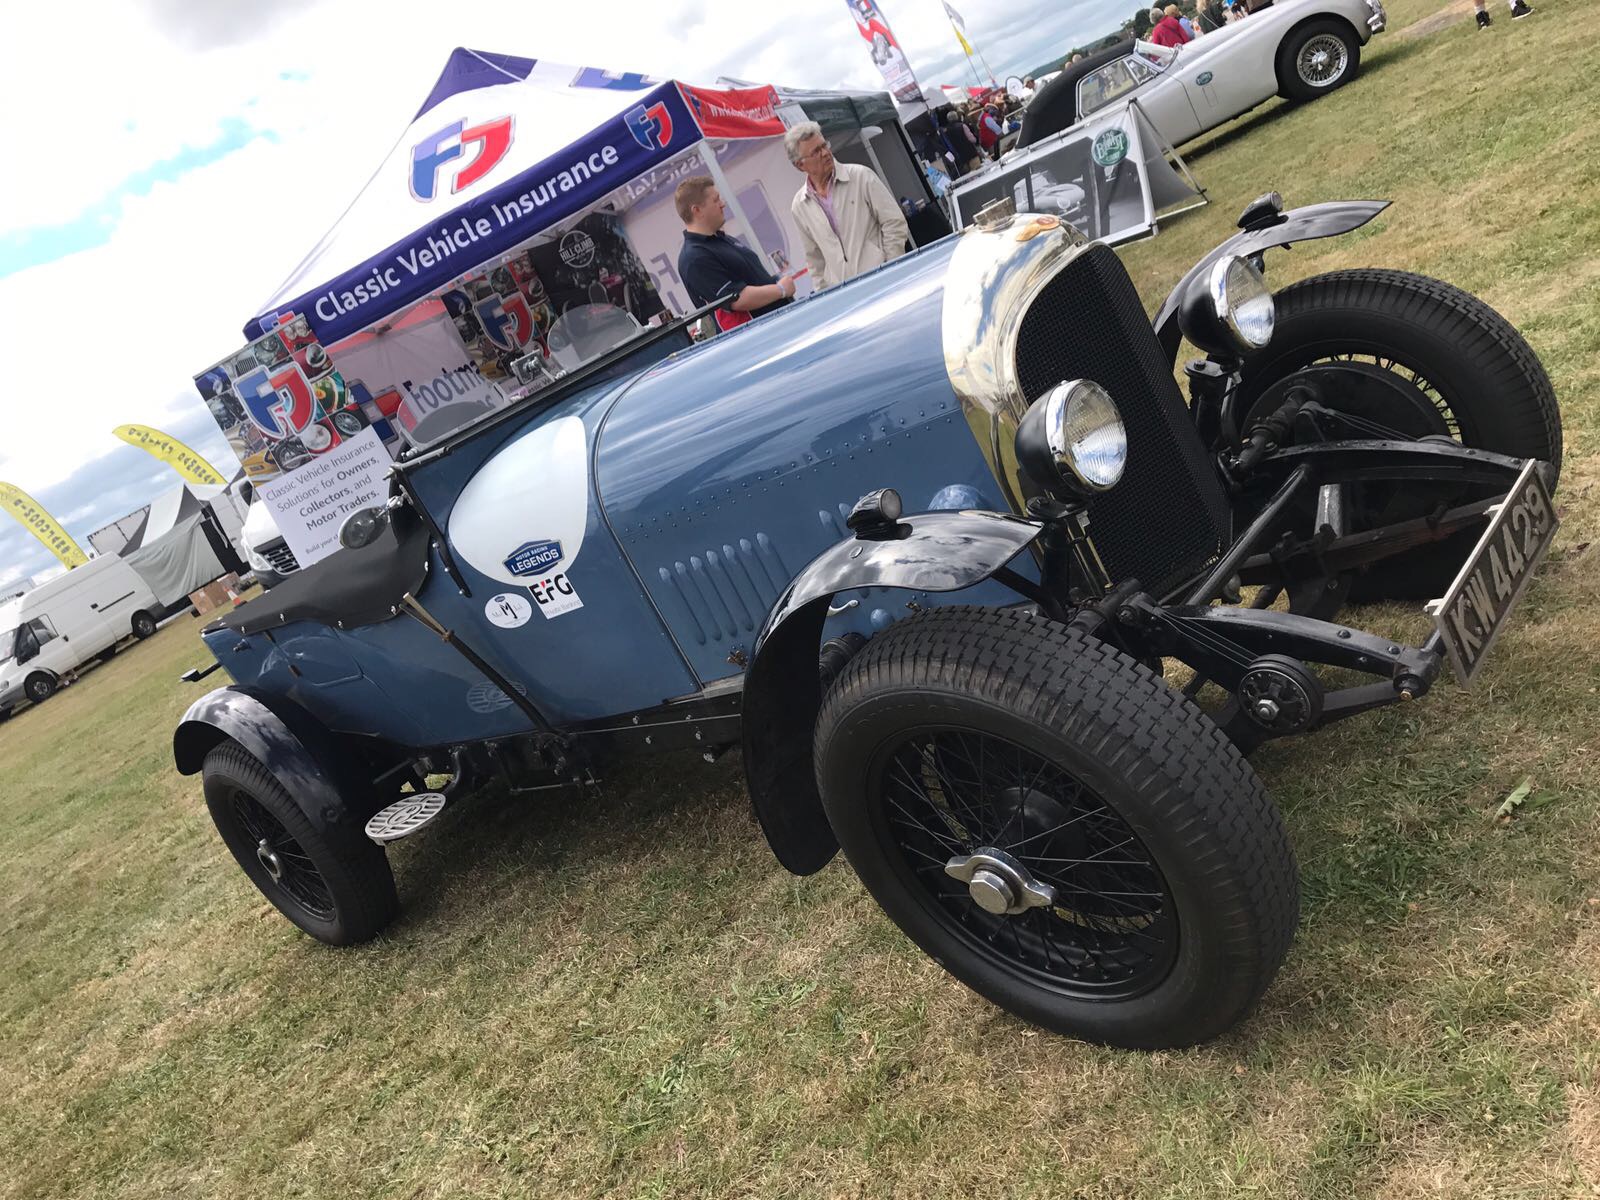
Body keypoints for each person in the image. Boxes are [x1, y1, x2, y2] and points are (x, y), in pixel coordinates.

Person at [786, 121, 911, 291]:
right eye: (816, 151)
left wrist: (891, 266)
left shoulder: (860, 176)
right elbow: (815, 260)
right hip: (848, 295)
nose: (825, 153)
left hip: (885, 279)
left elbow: (894, 222)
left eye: (824, 145)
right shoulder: (799, 205)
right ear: (800, 165)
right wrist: (827, 297)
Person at [674, 176, 794, 332]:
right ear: (697, 210)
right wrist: (781, 290)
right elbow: (737, 299)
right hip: (758, 338)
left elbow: (752, 281)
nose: (722, 204)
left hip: (775, 326)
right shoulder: (694, 258)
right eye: (716, 200)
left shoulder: (721, 239)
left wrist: (774, 282)